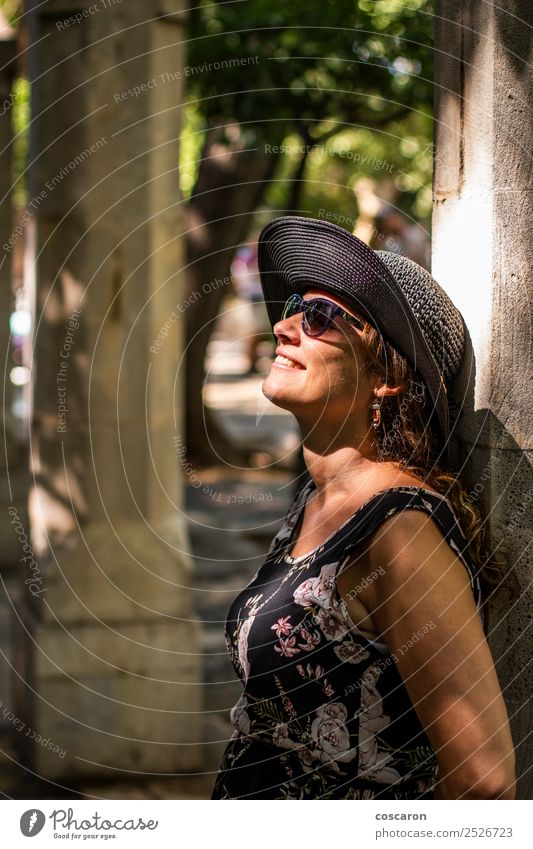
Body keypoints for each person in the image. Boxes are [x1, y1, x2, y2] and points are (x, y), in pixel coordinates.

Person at [210, 215, 517, 800]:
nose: (284, 326)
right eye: (295, 305)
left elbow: (484, 782)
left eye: (320, 318)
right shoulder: (316, 500)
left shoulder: (400, 532)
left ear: (385, 377)